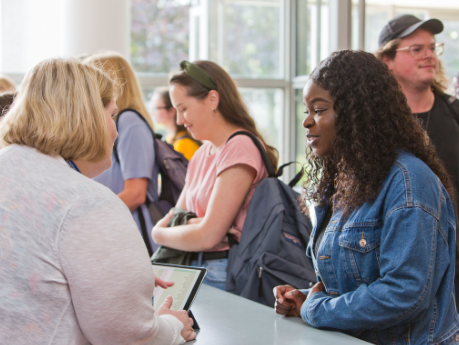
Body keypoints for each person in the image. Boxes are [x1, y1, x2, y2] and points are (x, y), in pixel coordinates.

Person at [0, 58, 195, 344]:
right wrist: (172, 326)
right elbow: (127, 336)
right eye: (112, 116)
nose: (115, 132)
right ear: (87, 116)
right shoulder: (87, 202)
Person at [274, 50, 459, 344]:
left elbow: (404, 294)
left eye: (319, 110)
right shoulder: (344, 180)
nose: (306, 122)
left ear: (355, 112)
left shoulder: (410, 182)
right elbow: (353, 278)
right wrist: (308, 297)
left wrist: (317, 309)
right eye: (307, 109)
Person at [151, 60, 277, 290]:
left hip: (223, 271)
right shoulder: (201, 154)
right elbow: (177, 218)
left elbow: (207, 236)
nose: (179, 120)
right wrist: (193, 224)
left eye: (183, 108)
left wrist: (158, 234)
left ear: (212, 99)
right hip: (196, 268)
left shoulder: (239, 147)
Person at [375, 14, 459, 308]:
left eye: (433, 48)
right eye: (416, 49)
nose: (429, 56)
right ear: (387, 59)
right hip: (396, 268)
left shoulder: (454, 111)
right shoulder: (374, 123)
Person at [85, 52, 160, 254]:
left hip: (131, 235)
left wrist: (88, 218)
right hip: (115, 230)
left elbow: (135, 194)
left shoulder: (129, 121)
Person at [150, 87, 200, 160]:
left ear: (171, 110)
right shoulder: (170, 138)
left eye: (156, 108)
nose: (152, 112)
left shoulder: (184, 143)